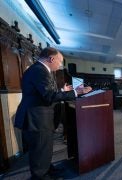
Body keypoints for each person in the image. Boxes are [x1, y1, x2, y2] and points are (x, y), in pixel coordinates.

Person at [14, 47, 92, 180]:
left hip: (39, 118)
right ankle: (41, 175)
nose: (60, 65)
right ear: (52, 59)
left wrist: (62, 90)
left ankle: (47, 169)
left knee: (44, 149)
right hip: (36, 120)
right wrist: (76, 92)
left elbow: (43, 93)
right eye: (60, 62)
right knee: (39, 151)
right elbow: (49, 96)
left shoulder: (41, 70)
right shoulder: (39, 71)